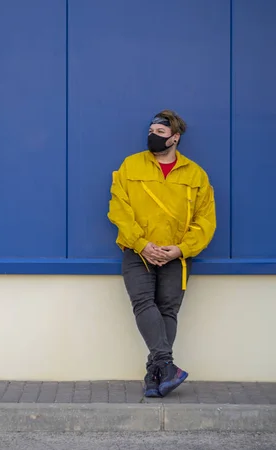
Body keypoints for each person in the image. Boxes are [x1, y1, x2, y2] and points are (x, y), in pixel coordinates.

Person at [107, 110, 216, 397]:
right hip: (137, 252)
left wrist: (180, 249)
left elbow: (206, 222)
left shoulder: (196, 175)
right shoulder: (131, 166)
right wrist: (142, 244)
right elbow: (119, 209)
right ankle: (167, 365)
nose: (152, 136)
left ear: (175, 138)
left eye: (160, 132)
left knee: (168, 310)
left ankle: (156, 374)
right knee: (143, 303)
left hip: (175, 257)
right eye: (151, 131)